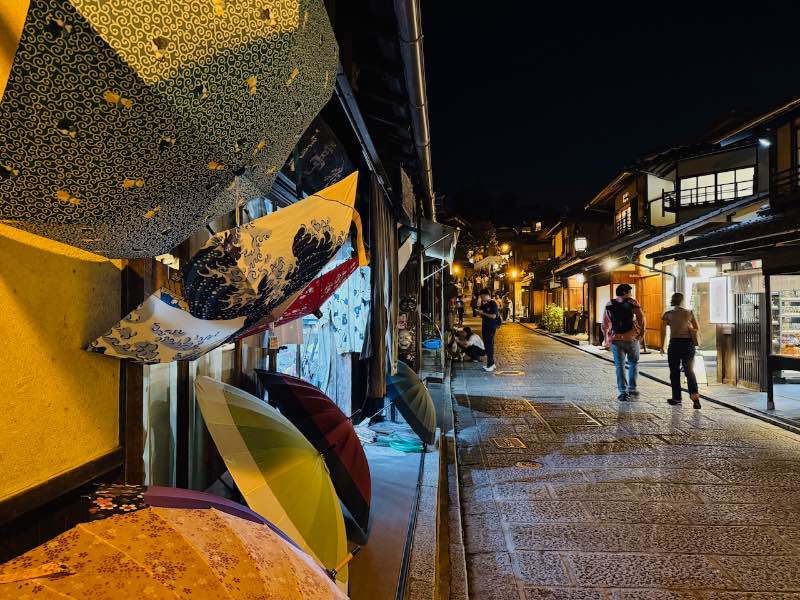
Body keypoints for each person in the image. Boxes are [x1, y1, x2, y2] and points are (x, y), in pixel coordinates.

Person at [602, 283, 646, 401]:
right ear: (625, 293)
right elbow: (642, 319)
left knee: (619, 365)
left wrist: (606, 340)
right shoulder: (633, 303)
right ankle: (632, 388)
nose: (631, 294)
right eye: (630, 292)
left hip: (616, 339)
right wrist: (641, 334)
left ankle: (623, 391)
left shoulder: (609, 304)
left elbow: (604, 325)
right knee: (633, 363)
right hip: (632, 339)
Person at [660, 292, 702, 409]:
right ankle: (695, 397)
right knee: (689, 371)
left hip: (674, 344)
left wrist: (661, 346)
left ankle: (677, 398)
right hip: (688, 345)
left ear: (672, 301)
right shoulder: (689, 313)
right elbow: (697, 328)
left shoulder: (667, 314)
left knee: (674, 371)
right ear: (682, 301)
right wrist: (688, 327)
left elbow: (663, 332)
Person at [475, 288, 500, 372]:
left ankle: (490, 365)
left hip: (490, 327)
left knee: (489, 346)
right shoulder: (485, 304)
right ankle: (491, 363)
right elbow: (482, 314)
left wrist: (483, 313)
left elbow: (494, 316)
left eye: (482, 297)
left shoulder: (493, 303)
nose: (481, 299)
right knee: (487, 345)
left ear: (486, 295)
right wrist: (479, 312)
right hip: (485, 327)